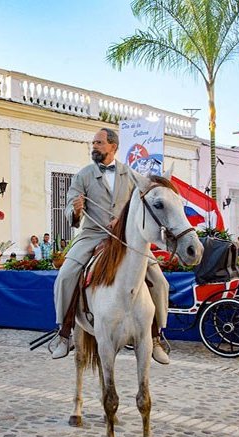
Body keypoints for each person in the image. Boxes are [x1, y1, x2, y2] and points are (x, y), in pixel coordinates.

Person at [51, 128, 170, 364]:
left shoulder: (132, 175)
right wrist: (74, 211)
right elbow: (68, 205)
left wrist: (123, 221)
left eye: (99, 142)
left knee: (159, 281)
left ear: (113, 146)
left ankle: (156, 337)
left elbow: (140, 208)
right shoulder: (83, 175)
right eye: (93, 142)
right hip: (93, 235)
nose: (94, 146)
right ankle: (64, 333)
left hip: (126, 239)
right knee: (66, 275)